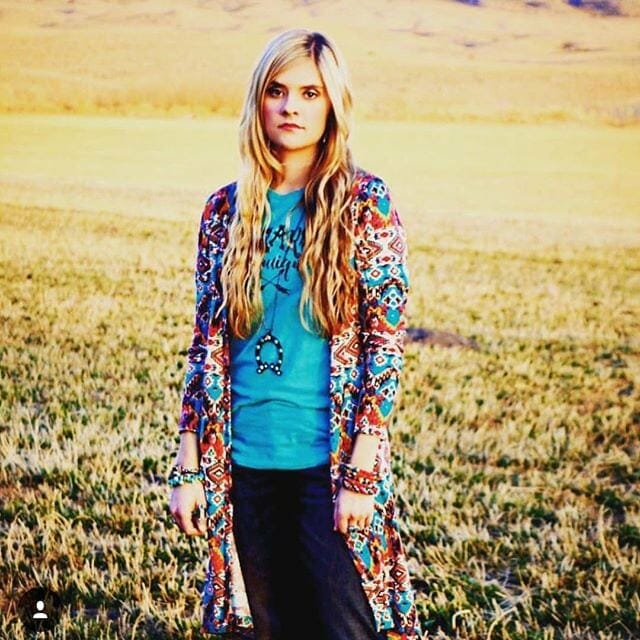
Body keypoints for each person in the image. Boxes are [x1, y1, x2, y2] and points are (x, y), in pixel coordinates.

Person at [168, 28, 423, 640]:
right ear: (258, 101)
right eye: (277, 91)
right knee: (264, 627)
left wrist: (362, 471)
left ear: (333, 104)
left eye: (310, 93)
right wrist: (187, 463)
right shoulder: (223, 212)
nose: (291, 107)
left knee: (348, 627)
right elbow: (205, 346)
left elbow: (384, 345)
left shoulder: (364, 203)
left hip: (326, 467)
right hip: (241, 463)